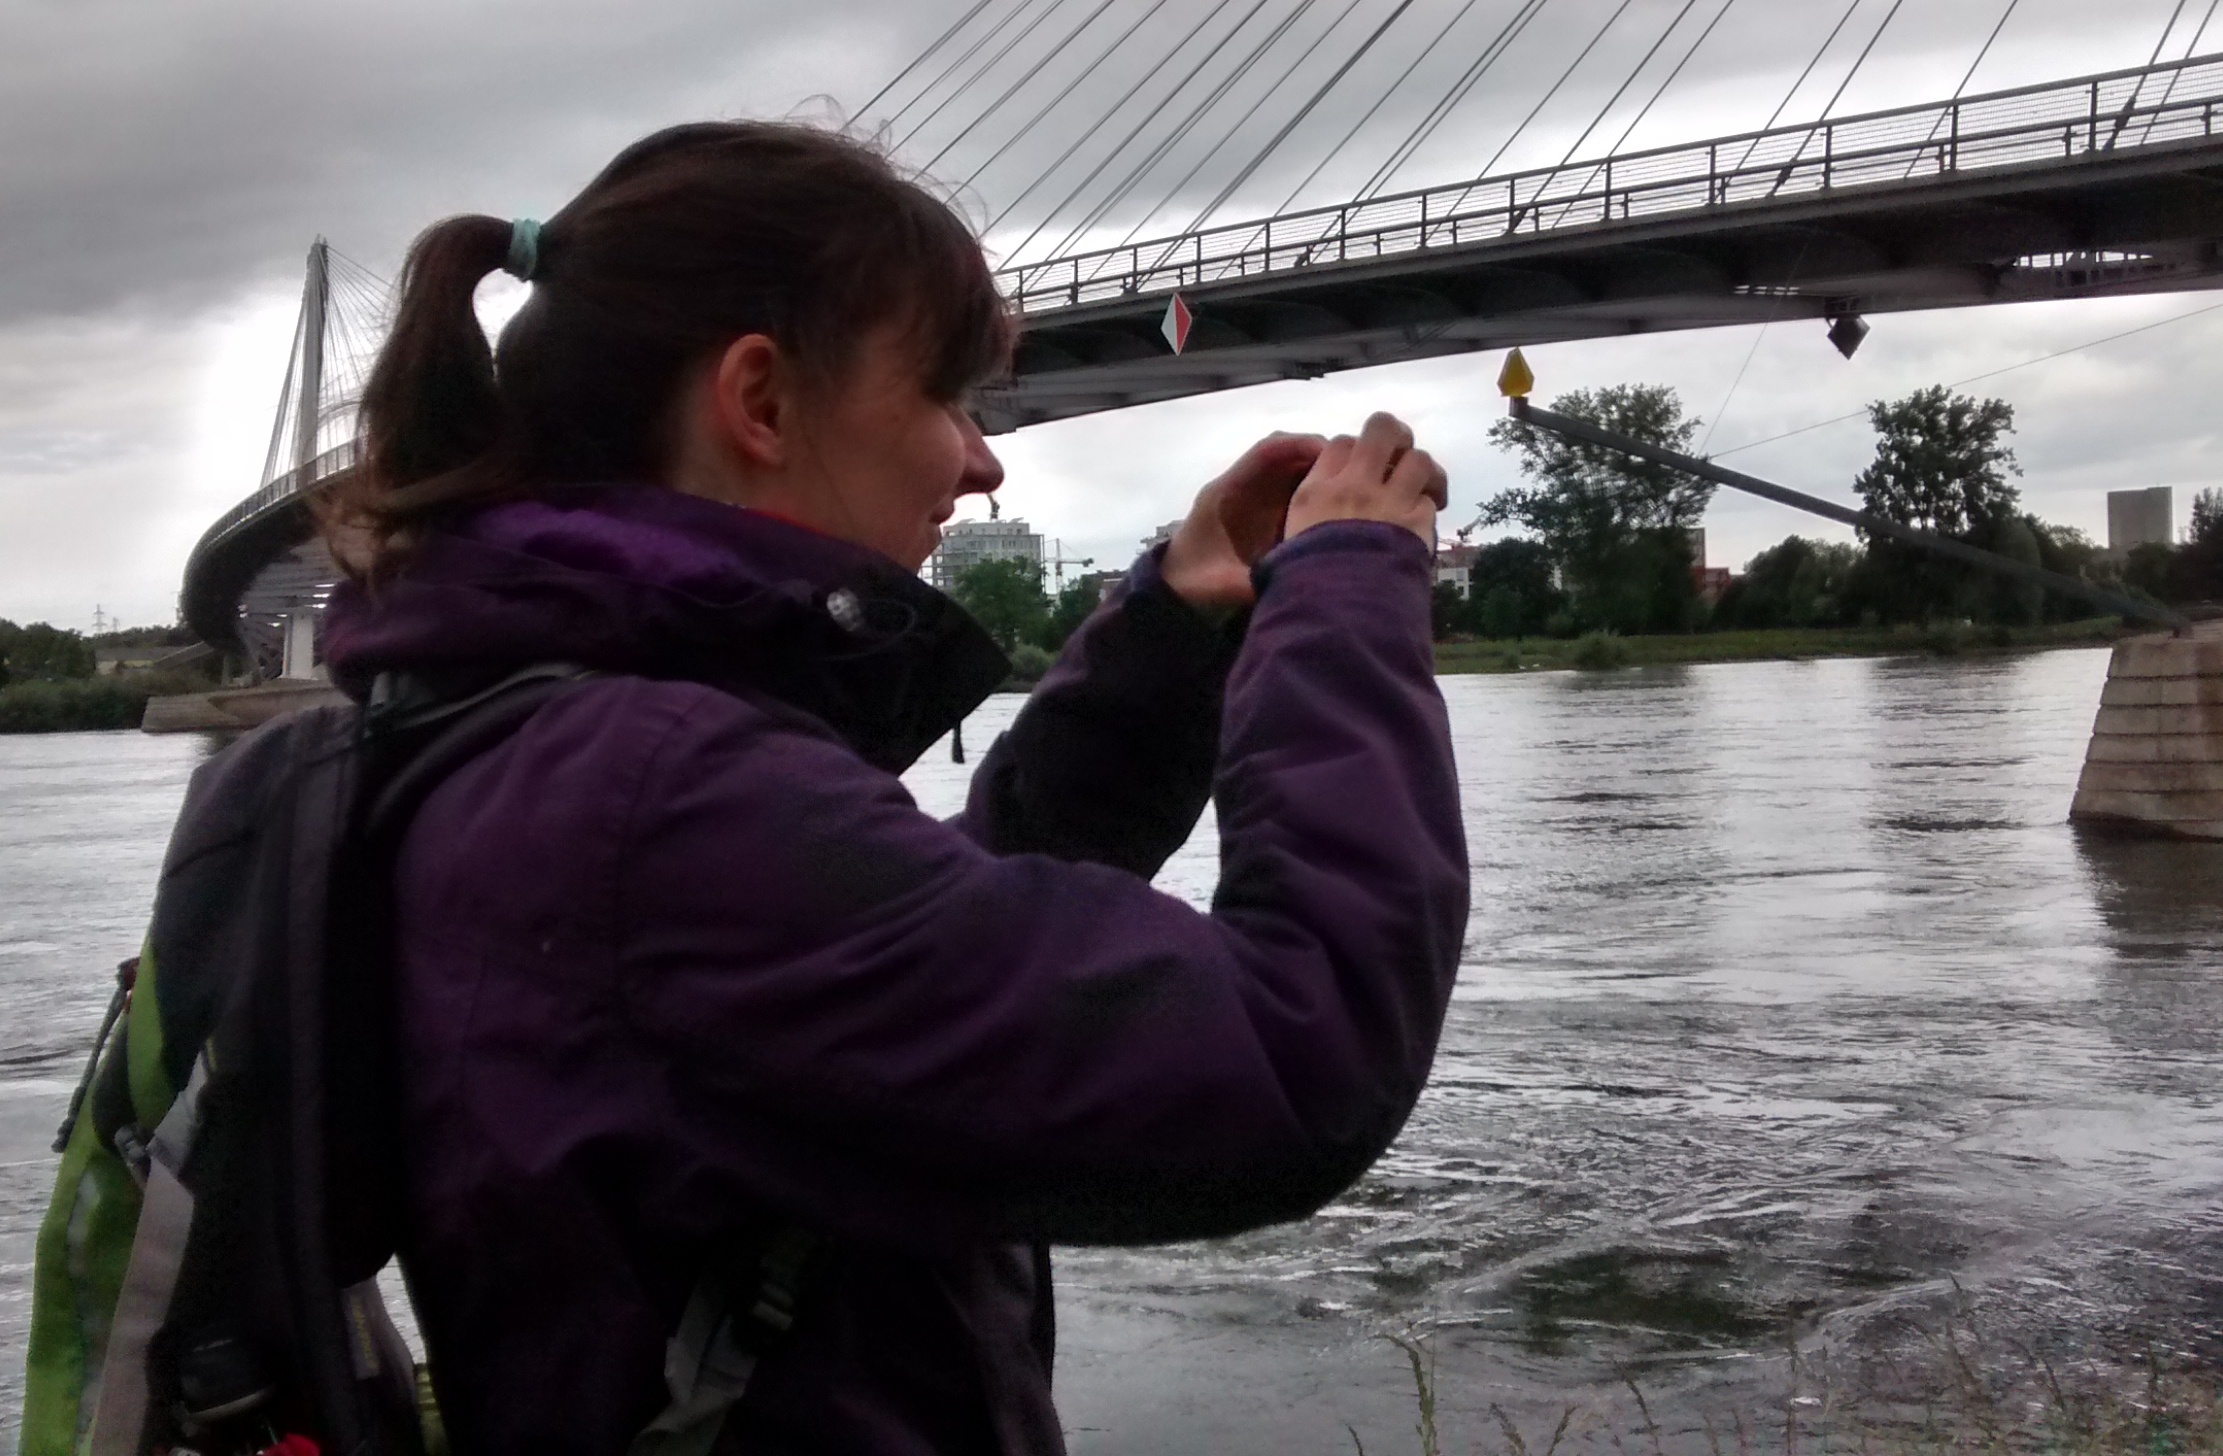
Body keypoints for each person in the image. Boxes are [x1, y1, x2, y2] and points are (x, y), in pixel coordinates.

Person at [318, 120, 1469, 1455]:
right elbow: (1295, 1054)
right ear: (761, 403)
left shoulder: (533, 738)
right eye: (943, 395)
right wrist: (1343, 595)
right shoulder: (656, 804)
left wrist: (1170, 638)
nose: (981, 460)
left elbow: (918, 952)